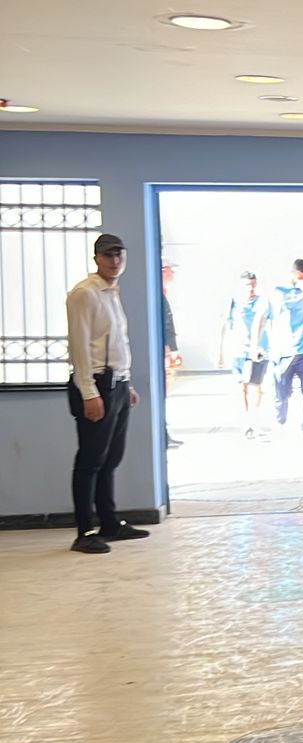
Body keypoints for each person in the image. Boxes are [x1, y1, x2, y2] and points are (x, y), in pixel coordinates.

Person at [64, 233, 151, 554]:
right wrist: (90, 393)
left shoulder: (111, 292)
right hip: (96, 386)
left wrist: (126, 385)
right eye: (107, 255)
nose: (114, 260)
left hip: (116, 385)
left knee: (110, 459)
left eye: (119, 254)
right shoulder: (84, 294)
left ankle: (110, 523)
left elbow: (114, 344)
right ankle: (85, 531)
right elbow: (80, 347)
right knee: (90, 461)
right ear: (96, 259)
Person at [254, 258, 303, 439]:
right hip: (282, 353)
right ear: (292, 274)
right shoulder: (277, 292)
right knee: (281, 396)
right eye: (300, 276)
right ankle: (280, 425)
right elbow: (260, 319)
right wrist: (256, 346)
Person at [218, 271, 268, 438]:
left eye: (253, 285)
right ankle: (246, 422)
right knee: (242, 387)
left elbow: (269, 323)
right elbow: (224, 326)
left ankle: (255, 419)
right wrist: (220, 353)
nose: (251, 288)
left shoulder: (262, 302)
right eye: (247, 285)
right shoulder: (233, 303)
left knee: (256, 386)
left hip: (258, 350)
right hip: (239, 350)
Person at [161, 263, 183, 449]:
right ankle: (162, 434)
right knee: (162, 392)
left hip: (165, 350)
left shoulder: (162, 292)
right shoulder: (158, 293)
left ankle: (164, 432)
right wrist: (172, 349)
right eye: (170, 269)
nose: (172, 273)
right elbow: (166, 324)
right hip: (162, 351)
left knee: (166, 393)